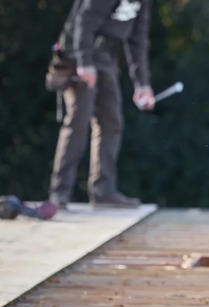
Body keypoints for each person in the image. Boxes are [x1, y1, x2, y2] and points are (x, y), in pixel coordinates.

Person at [48, 0, 154, 209]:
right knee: (78, 122)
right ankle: (59, 193)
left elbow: (137, 39)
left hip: (105, 57)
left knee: (111, 122)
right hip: (77, 54)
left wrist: (142, 83)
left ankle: (103, 192)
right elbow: (84, 20)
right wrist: (84, 62)